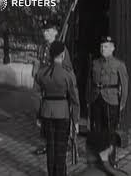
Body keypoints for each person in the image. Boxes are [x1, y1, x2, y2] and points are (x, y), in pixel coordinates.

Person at [35, 41, 80, 176]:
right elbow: (75, 99)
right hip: (63, 114)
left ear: (50, 54)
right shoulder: (68, 74)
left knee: (50, 148)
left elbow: (36, 95)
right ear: (62, 54)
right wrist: (76, 120)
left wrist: (38, 115)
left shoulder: (42, 73)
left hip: (46, 113)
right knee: (60, 150)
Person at [33, 19, 75, 155]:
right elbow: (38, 65)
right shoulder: (42, 47)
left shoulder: (61, 48)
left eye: (49, 31)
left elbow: (68, 69)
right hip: (45, 84)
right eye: (45, 31)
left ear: (55, 32)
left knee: (61, 116)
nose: (46, 33)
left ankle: (65, 142)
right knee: (44, 114)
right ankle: (47, 143)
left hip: (58, 86)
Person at [86, 36, 128, 166]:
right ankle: (99, 158)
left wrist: (122, 103)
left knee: (110, 132)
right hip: (96, 99)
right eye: (101, 46)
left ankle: (110, 160)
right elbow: (89, 82)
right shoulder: (95, 63)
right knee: (97, 130)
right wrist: (88, 99)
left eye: (106, 46)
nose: (103, 49)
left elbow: (125, 85)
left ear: (113, 48)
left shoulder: (119, 64)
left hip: (111, 99)